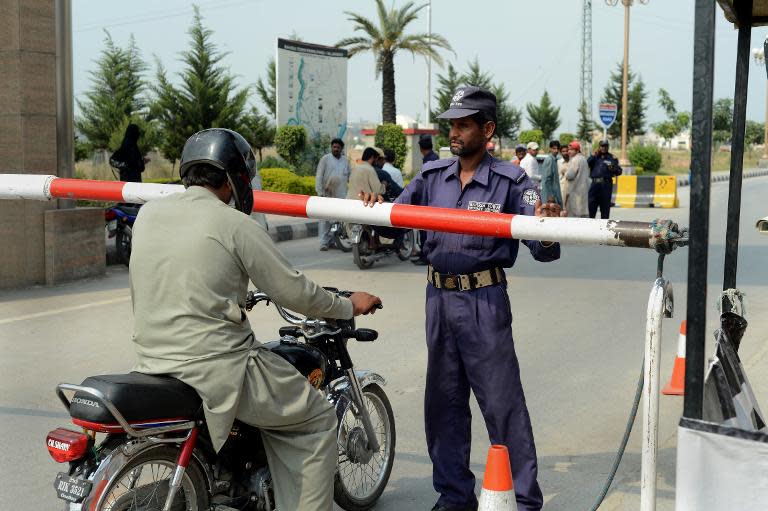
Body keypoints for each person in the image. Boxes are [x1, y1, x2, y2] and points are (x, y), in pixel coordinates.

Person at [129, 128, 382, 511]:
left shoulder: (148, 213)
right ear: (234, 179)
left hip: (153, 363)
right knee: (317, 419)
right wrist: (348, 306)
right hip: (219, 367)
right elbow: (294, 292)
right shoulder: (236, 225)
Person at [360, 86, 562, 511]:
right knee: (444, 403)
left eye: (464, 124)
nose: (455, 131)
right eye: (452, 123)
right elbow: (394, 224)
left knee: (502, 403)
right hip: (438, 299)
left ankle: (523, 500)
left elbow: (542, 250)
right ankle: (454, 495)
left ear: (487, 129)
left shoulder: (512, 181)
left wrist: (546, 227)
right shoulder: (432, 176)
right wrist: (377, 208)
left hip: (483, 301)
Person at [315, 138, 351, 251]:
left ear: (341, 149)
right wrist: (320, 192)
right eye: (334, 147)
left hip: (341, 195)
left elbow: (350, 176)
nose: (335, 149)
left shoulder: (345, 161)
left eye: (338, 147)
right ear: (331, 147)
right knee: (325, 220)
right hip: (327, 194)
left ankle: (332, 241)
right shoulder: (325, 159)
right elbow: (319, 176)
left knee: (337, 219)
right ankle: (323, 243)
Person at [587, 140, 622, 219]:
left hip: (606, 185)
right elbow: (587, 163)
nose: (604, 148)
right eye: (602, 146)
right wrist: (593, 155)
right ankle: (590, 226)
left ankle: (604, 228)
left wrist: (613, 168)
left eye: (605, 146)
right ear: (599, 147)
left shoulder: (612, 158)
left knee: (605, 208)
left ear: (608, 147)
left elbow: (619, 171)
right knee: (591, 206)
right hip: (594, 185)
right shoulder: (595, 157)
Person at [565, 140, 590, 218]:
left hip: (575, 191)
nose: (569, 151)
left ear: (577, 150)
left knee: (574, 217)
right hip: (583, 191)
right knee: (583, 216)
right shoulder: (583, 159)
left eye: (571, 150)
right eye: (569, 149)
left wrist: (565, 172)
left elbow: (570, 175)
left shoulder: (575, 159)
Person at [539, 140, 563, 206]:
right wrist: (550, 195)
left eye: (557, 148)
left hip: (554, 193)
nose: (556, 151)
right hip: (550, 196)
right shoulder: (549, 159)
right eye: (554, 148)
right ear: (550, 149)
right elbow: (547, 179)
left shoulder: (554, 159)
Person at [558, 144, 571, 214]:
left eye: (567, 151)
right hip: (562, 188)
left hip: (572, 189)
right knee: (562, 210)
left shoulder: (573, 161)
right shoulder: (558, 162)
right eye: (563, 151)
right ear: (561, 152)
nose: (565, 153)